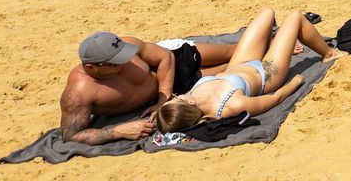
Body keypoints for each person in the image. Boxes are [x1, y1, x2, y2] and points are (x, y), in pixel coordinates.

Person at [156, 8, 343, 132]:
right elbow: (274, 99)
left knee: (267, 13)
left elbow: (171, 113)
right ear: (188, 103)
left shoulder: (193, 94)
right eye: (177, 99)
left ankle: (276, 42)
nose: (177, 96)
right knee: (296, 17)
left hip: (238, 65)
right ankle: (328, 53)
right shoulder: (231, 106)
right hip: (267, 73)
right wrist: (296, 82)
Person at [59, 32, 236, 144]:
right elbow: (71, 134)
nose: (125, 62)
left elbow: (165, 57)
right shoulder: (79, 93)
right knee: (237, 66)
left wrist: (163, 99)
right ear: (92, 68)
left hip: (175, 62)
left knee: (234, 51)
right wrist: (118, 131)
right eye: (116, 62)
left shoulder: (128, 44)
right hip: (183, 89)